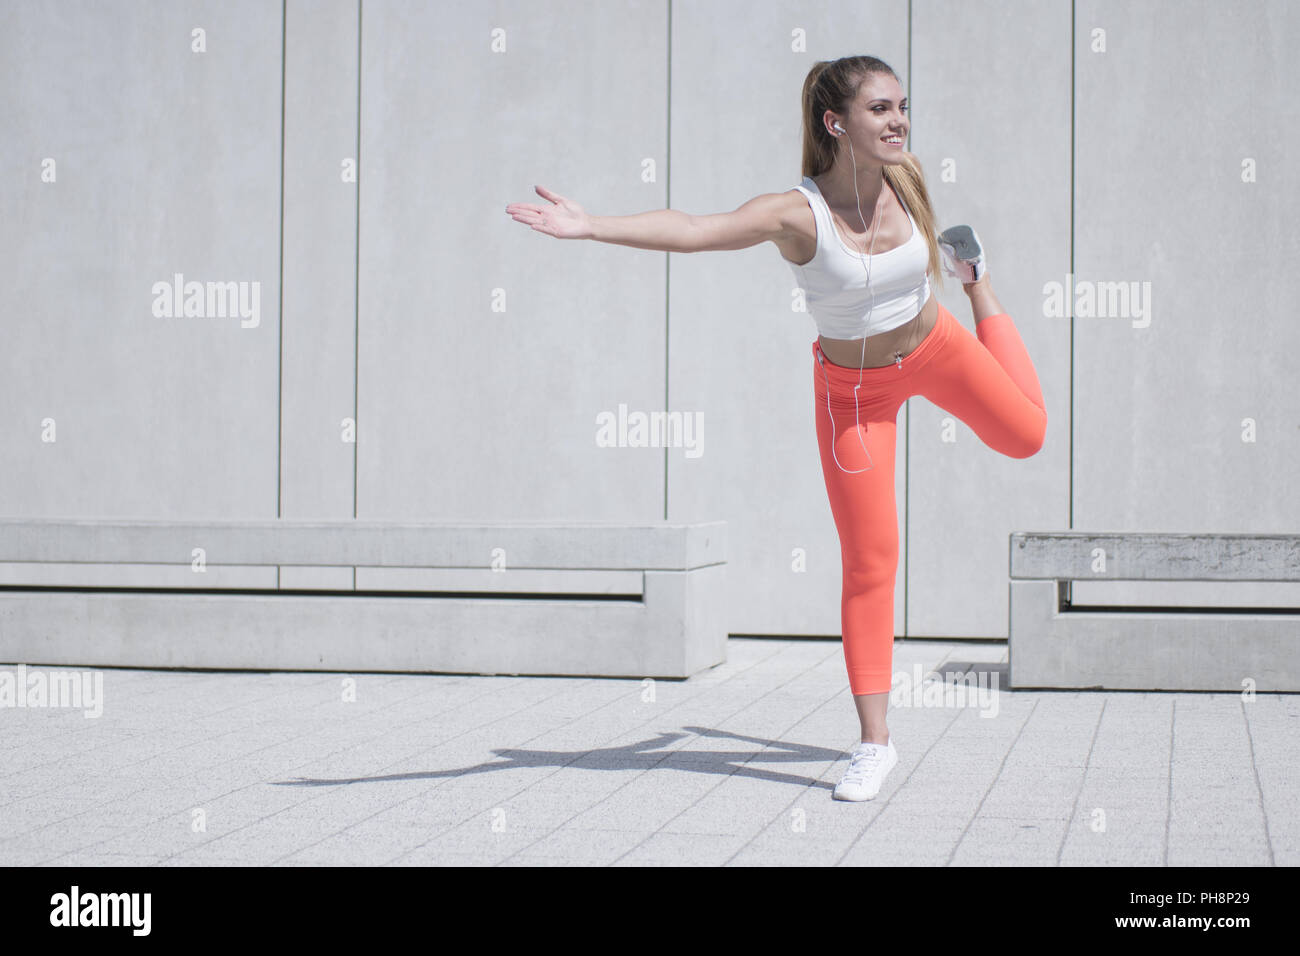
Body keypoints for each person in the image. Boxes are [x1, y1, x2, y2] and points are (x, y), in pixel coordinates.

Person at [505, 55, 1046, 803]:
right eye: (880, 110)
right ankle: (875, 743)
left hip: (937, 345)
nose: (899, 121)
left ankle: (979, 280)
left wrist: (966, 293)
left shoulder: (908, 175)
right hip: (853, 394)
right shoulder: (798, 214)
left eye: (902, 106)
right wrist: (591, 225)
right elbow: (697, 228)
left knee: (1027, 436)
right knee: (870, 560)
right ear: (837, 123)